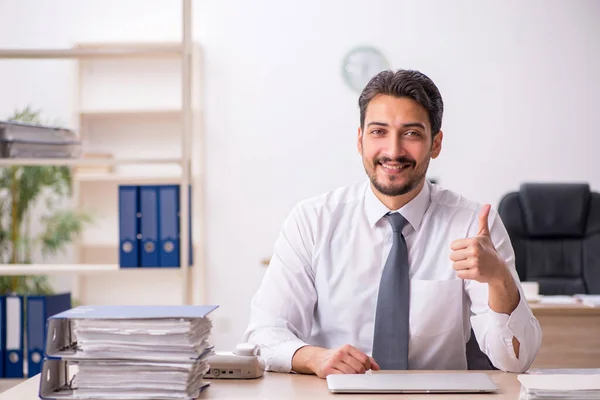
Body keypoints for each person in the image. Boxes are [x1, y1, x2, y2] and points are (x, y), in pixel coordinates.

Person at [243, 69, 542, 378]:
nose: (393, 150)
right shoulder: (312, 221)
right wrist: (313, 358)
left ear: (435, 144)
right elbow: (265, 333)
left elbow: (515, 361)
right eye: (379, 132)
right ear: (360, 140)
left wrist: (499, 279)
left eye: (411, 133)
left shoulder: (473, 225)